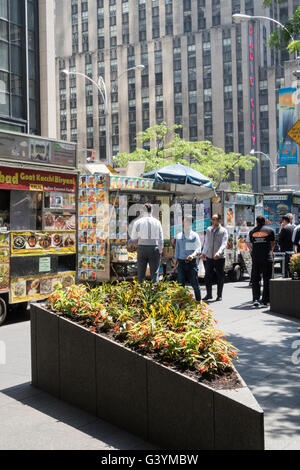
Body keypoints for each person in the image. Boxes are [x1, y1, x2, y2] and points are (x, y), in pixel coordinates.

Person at [130, 202, 163, 283]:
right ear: (152, 211)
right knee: (154, 274)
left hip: (142, 248)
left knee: (141, 274)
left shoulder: (138, 222)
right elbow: (161, 238)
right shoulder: (157, 222)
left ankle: (140, 294)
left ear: (142, 211)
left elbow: (133, 237)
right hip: (154, 248)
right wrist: (160, 250)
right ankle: (155, 293)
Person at [247, 215, 275, 308]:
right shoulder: (270, 230)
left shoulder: (252, 231)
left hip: (256, 258)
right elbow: (272, 244)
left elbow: (251, 245)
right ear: (265, 222)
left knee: (255, 279)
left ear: (256, 222)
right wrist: (271, 251)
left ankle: (256, 299)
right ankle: (265, 301)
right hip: (267, 258)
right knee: (267, 279)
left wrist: (252, 251)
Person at [173, 215, 202, 301]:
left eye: (186, 222)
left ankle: (198, 303)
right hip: (181, 264)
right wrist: (175, 266)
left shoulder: (194, 236)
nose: (183, 223)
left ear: (190, 224)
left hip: (191, 264)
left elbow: (198, 248)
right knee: (180, 285)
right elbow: (177, 253)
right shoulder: (178, 236)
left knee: (195, 284)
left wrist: (192, 255)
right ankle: (182, 303)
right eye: (183, 221)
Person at [200, 214, 228, 302]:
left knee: (220, 276)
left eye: (214, 219)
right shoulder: (208, 230)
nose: (212, 221)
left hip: (219, 257)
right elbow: (207, 242)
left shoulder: (223, 231)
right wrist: (204, 252)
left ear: (219, 220)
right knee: (208, 275)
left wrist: (218, 253)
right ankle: (209, 294)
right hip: (209, 257)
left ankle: (219, 295)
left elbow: (224, 243)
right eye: (212, 219)